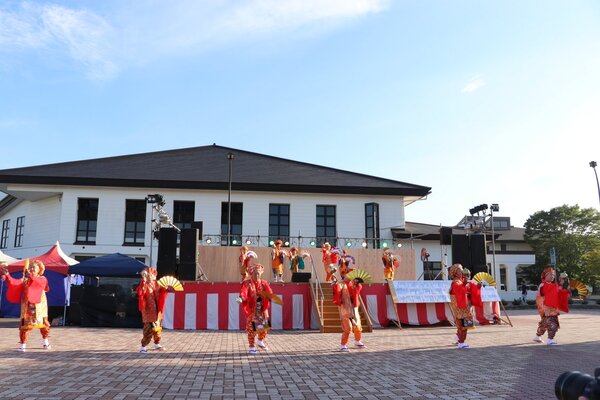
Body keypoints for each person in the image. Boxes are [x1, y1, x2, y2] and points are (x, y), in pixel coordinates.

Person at [1, 259, 51, 352]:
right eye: (30, 267)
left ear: (39, 269)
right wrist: (7, 275)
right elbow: (15, 283)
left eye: (34, 267)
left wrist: (31, 276)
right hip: (27, 305)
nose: (31, 269)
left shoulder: (42, 279)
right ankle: (23, 345)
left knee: (43, 324)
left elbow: (38, 283)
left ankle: (46, 342)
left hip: (39, 306)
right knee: (24, 326)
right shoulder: (26, 279)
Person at [237, 263, 273, 354]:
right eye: (255, 273)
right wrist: (241, 298)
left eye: (258, 273)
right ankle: (252, 347)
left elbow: (269, 291)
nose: (257, 275)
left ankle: (260, 341)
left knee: (265, 326)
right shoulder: (247, 283)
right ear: (251, 274)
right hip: (252, 310)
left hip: (262, 309)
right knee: (252, 329)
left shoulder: (264, 283)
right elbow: (244, 292)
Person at [448, 263, 482, 349]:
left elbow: (470, 288)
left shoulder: (462, 281)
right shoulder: (456, 282)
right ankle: (461, 342)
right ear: (455, 273)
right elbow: (458, 290)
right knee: (463, 324)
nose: (462, 271)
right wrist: (464, 285)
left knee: (464, 324)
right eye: (460, 270)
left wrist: (478, 286)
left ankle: (459, 338)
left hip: (464, 306)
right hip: (460, 307)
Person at [533, 267, 570, 345]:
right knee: (553, 323)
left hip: (550, 308)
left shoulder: (549, 285)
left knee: (544, 323)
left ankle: (537, 336)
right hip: (547, 309)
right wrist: (560, 284)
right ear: (545, 276)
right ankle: (550, 339)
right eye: (550, 274)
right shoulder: (543, 285)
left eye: (553, 275)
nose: (552, 276)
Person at [136, 267, 169, 353]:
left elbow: (162, 292)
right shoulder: (144, 284)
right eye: (148, 275)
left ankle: (157, 343)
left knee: (158, 328)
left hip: (157, 311)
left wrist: (166, 289)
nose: (150, 277)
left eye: (152, 275)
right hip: (148, 311)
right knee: (148, 329)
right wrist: (143, 282)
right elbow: (140, 292)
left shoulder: (157, 284)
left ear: (154, 276)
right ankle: (143, 346)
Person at [331, 274, 366, 351]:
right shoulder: (341, 284)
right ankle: (343, 345)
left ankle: (357, 341)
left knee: (358, 325)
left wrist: (357, 285)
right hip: (345, 307)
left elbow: (358, 290)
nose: (350, 276)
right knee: (348, 328)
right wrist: (335, 284)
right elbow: (337, 291)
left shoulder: (354, 284)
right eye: (348, 274)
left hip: (354, 307)